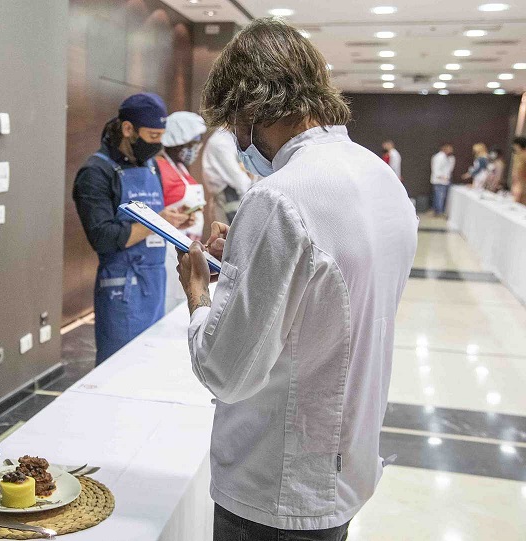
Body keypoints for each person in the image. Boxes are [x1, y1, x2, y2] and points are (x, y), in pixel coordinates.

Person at [176, 18, 418, 541]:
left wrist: (198, 293)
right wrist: (245, 257)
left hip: (274, 486)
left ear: (252, 108)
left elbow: (227, 370)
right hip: (344, 462)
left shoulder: (279, 197)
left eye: (236, 125)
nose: (239, 140)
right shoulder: (379, 177)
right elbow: (328, 292)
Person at [73, 93, 194, 364]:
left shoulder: (152, 167)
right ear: (128, 129)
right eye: (152, 136)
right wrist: (157, 222)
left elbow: (154, 220)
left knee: (148, 368)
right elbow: (103, 237)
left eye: (161, 135)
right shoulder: (95, 173)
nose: (157, 144)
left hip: (155, 284)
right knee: (118, 369)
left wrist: (171, 222)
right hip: (121, 290)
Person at [157, 111, 208, 313]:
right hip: (169, 251)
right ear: (177, 141)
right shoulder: (160, 167)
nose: (195, 149)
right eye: (191, 144)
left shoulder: (181, 168)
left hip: (188, 245)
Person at [202, 127, 257, 225]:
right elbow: (239, 180)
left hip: (240, 195)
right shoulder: (220, 142)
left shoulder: (232, 138)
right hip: (230, 196)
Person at [430, 143, 455, 215]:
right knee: (439, 196)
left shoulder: (448, 157)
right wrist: (441, 176)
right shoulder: (439, 157)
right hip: (439, 180)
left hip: (444, 180)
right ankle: (438, 211)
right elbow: (436, 169)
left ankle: (437, 210)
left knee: (440, 196)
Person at [511, 137, 526, 204]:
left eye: (515, 145)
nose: (514, 147)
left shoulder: (524, 155)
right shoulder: (517, 155)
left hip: (522, 182)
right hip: (516, 182)